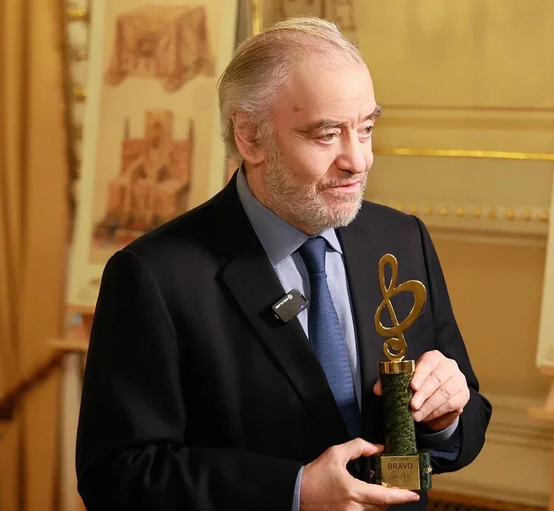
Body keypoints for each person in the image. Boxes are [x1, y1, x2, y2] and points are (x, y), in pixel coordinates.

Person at [75, 16, 491, 511]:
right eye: (327, 134)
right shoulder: (155, 276)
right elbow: (117, 476)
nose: (358, 160)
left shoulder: (402, 239)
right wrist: (294, 492)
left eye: (366, 128)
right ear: (250, 137)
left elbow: (469, 427)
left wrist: (446, 419)